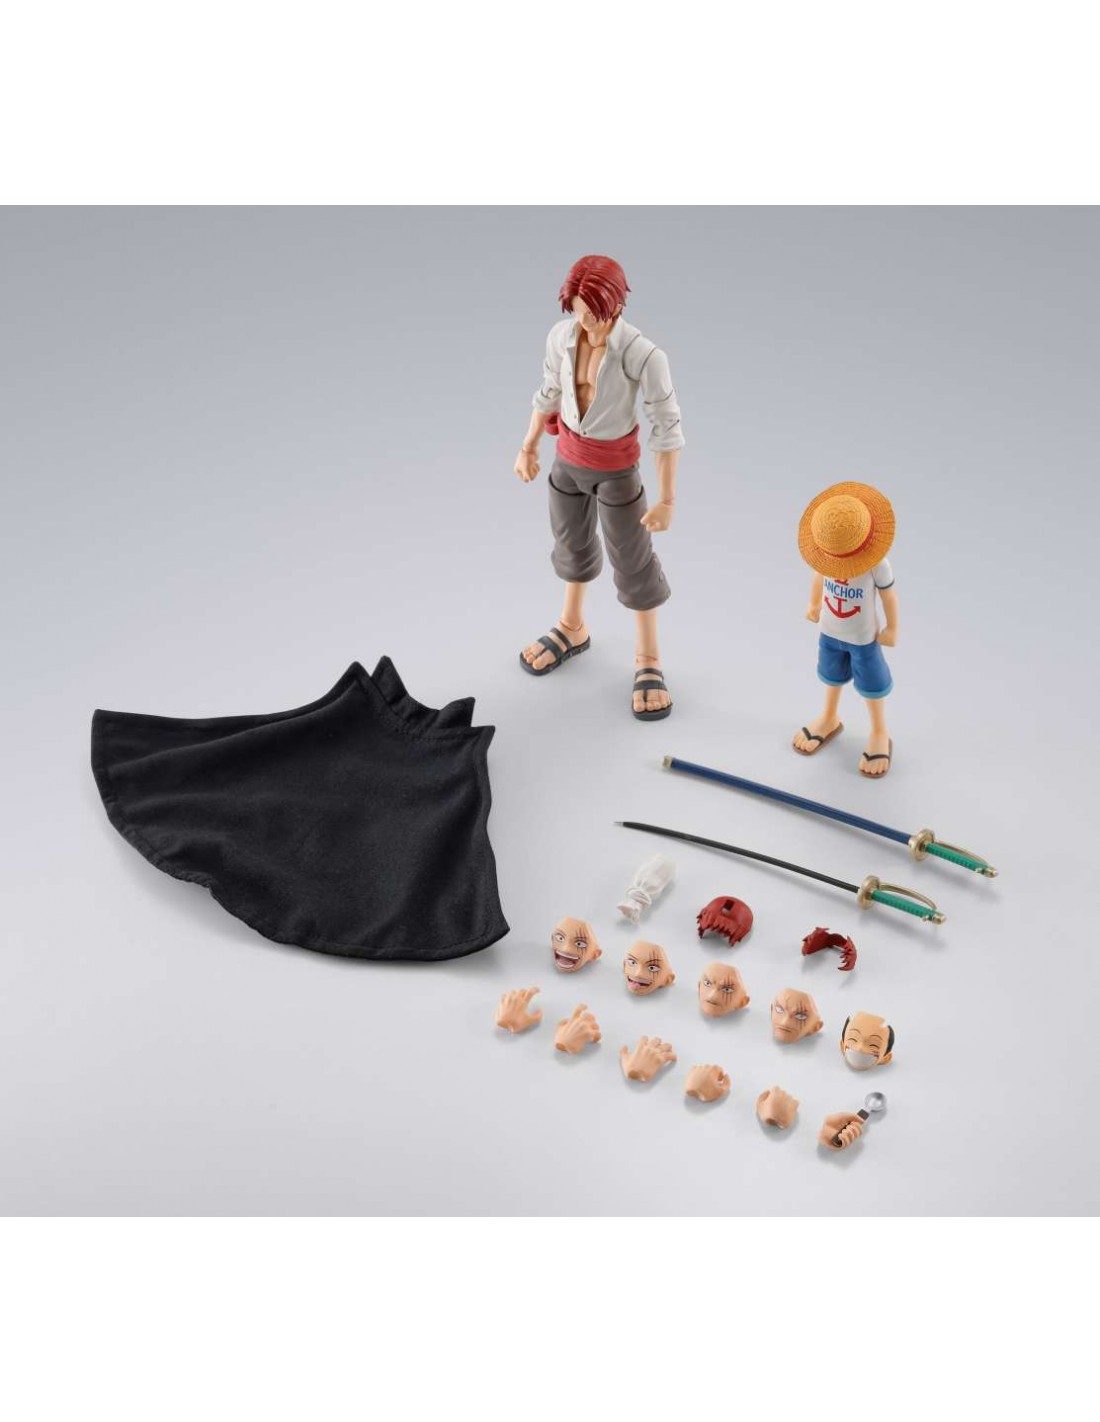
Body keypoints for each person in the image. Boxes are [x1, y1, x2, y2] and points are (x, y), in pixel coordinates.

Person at [515, 255, 685, 720]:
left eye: (591, 310)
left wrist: (667, 499)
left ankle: (649, 658)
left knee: (633, 561)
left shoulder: (644, 355)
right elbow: (549, 392)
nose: (583, 319)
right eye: (575, 309)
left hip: (616, 469)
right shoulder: (561, 336)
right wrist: (528, 445)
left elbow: (666, 427)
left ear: (614, 304)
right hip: (567, 460)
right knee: (570, 545)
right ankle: (571, 626)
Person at [792, 482, 899, 777]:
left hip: (863, 638)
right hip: (830, 630)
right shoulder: (828, 552)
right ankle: (829, 717)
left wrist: (892, 628)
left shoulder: (877, 564)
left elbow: (889, 596)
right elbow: (818, 576)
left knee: (872, 685)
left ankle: (879, 731)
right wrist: (814, 603)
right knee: (831, 676)